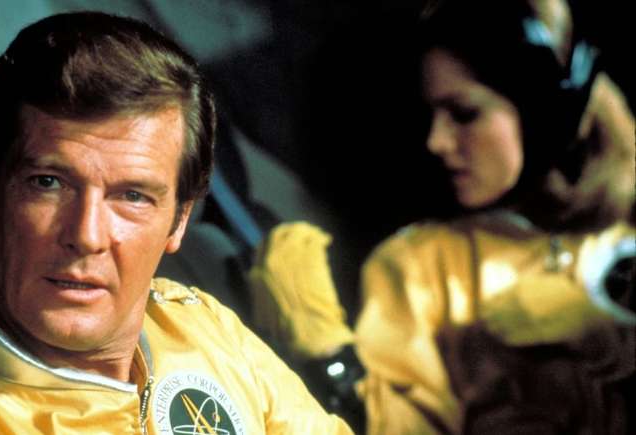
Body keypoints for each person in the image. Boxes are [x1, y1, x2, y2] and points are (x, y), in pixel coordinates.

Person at [0, 12, 353, 434]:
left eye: (133, 196)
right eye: (48, 183)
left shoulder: (200, 324)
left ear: (179, 221)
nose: (87, 235)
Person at [250, 0, 635, 433]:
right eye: (432, 113)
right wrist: (330, 354)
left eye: (465, 114)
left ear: (543, 110)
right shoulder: (422, 267)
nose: (437, 141)